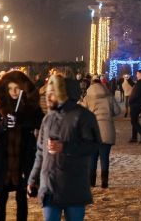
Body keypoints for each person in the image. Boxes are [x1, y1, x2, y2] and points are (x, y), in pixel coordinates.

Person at [28, 75, 100, 221]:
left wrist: (65, 147)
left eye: (52, 93)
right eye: (47, 93)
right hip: (49, 187)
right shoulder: (47, 119)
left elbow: (93, 145)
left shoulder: (83, 116)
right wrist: (32, 179)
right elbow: (40, 152)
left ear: (63, 93)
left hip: (73, 186)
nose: (48, 97)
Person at [0, 71, 42, 221]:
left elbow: (40, 122)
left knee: (22, 198)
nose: (14, 92)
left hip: (24, 156)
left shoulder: (31, 106)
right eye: (10, 88)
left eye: (17, 88)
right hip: (3, 157)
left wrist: (22, 120)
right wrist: (3, 124)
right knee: (2, 197)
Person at [79, 78, 116, 189]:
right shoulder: (109, 97)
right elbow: (117, 111)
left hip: (92, 132)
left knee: (92, 158)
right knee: (105, 158)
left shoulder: (87, 98)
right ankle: (104, 182)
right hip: (107, 130)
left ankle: (91, 182)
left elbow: (81, 111)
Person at [127, 69, 141, 143]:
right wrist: (129, 79)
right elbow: (134, 86)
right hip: (139, 104)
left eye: (137, 74)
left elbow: (136, 94)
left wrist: (130, 101)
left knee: (134, 121)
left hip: (136, 104)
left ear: (140, 74)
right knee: (135, 120)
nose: (136, 75)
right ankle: (134, 137)